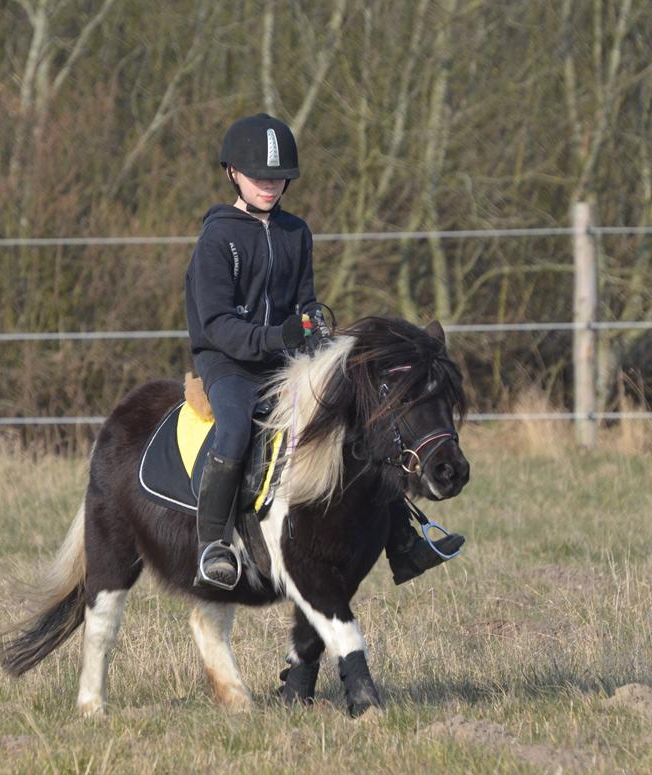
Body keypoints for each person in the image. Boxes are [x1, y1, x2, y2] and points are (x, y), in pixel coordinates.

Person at [184, 113, 462, 590]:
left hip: (288, 360)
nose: (270, 185)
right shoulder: (218, 239)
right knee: (233, 426)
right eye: (259, 177)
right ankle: (213, 542)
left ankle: (403, 540)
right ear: (233, 173)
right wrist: (280, 337)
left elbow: (306, 301)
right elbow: (218, 326)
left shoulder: (296, 232)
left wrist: (315, 325)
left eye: (278, 178)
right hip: (229, 364)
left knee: (367, 418)